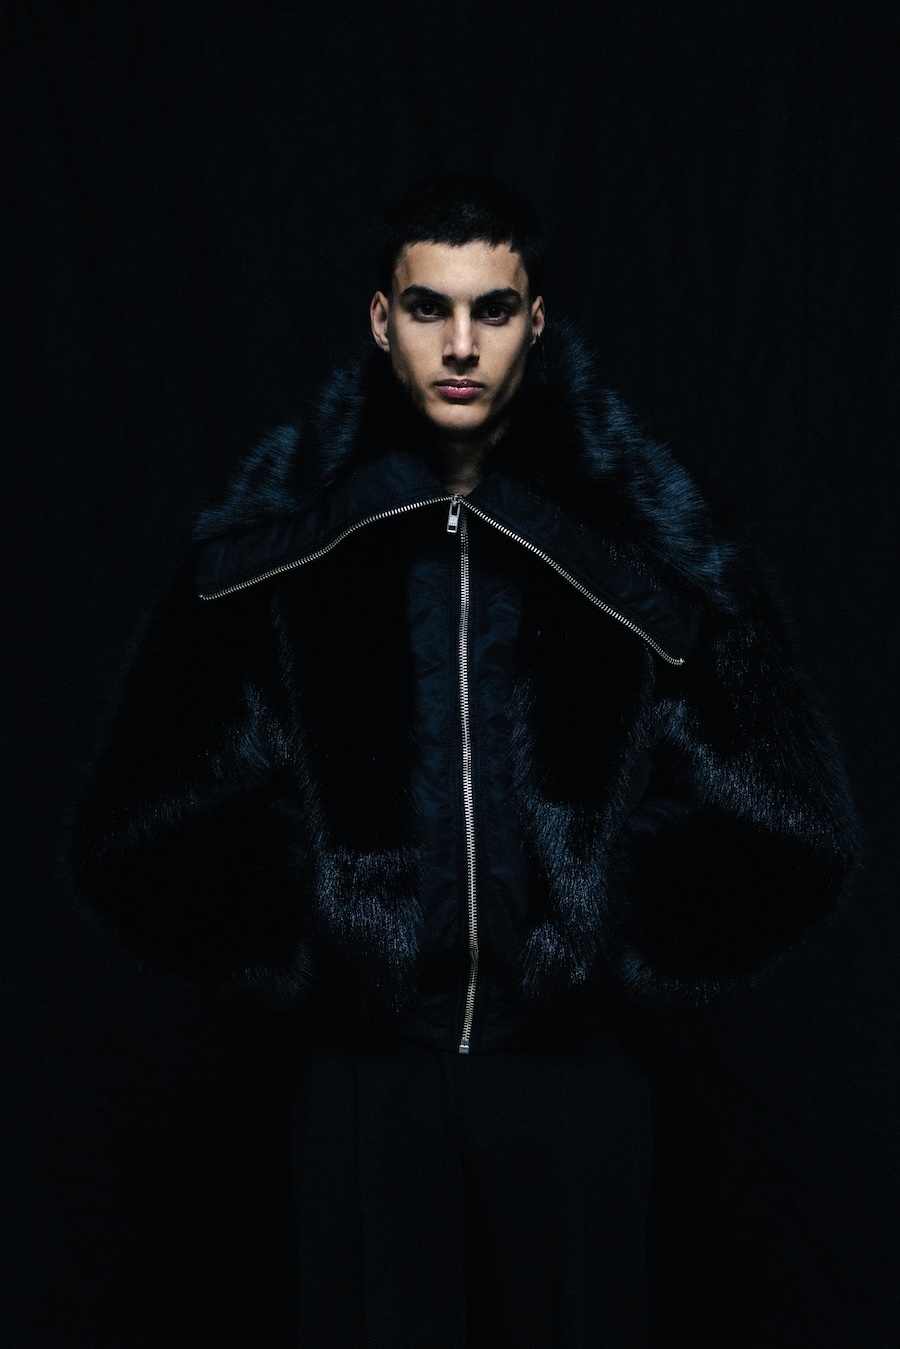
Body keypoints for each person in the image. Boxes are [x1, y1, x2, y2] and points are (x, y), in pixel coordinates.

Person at [72, 175, 858, 1347]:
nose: (459, 345)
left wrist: (604, 918)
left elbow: (792, 823)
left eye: (491, 309)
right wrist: (325, 916)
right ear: (380, 318)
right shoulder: (283, 539)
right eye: (428, 307)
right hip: (365, 1075)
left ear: (535, 319)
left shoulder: (643, 537)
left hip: (573, 1074)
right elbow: (135, 827)